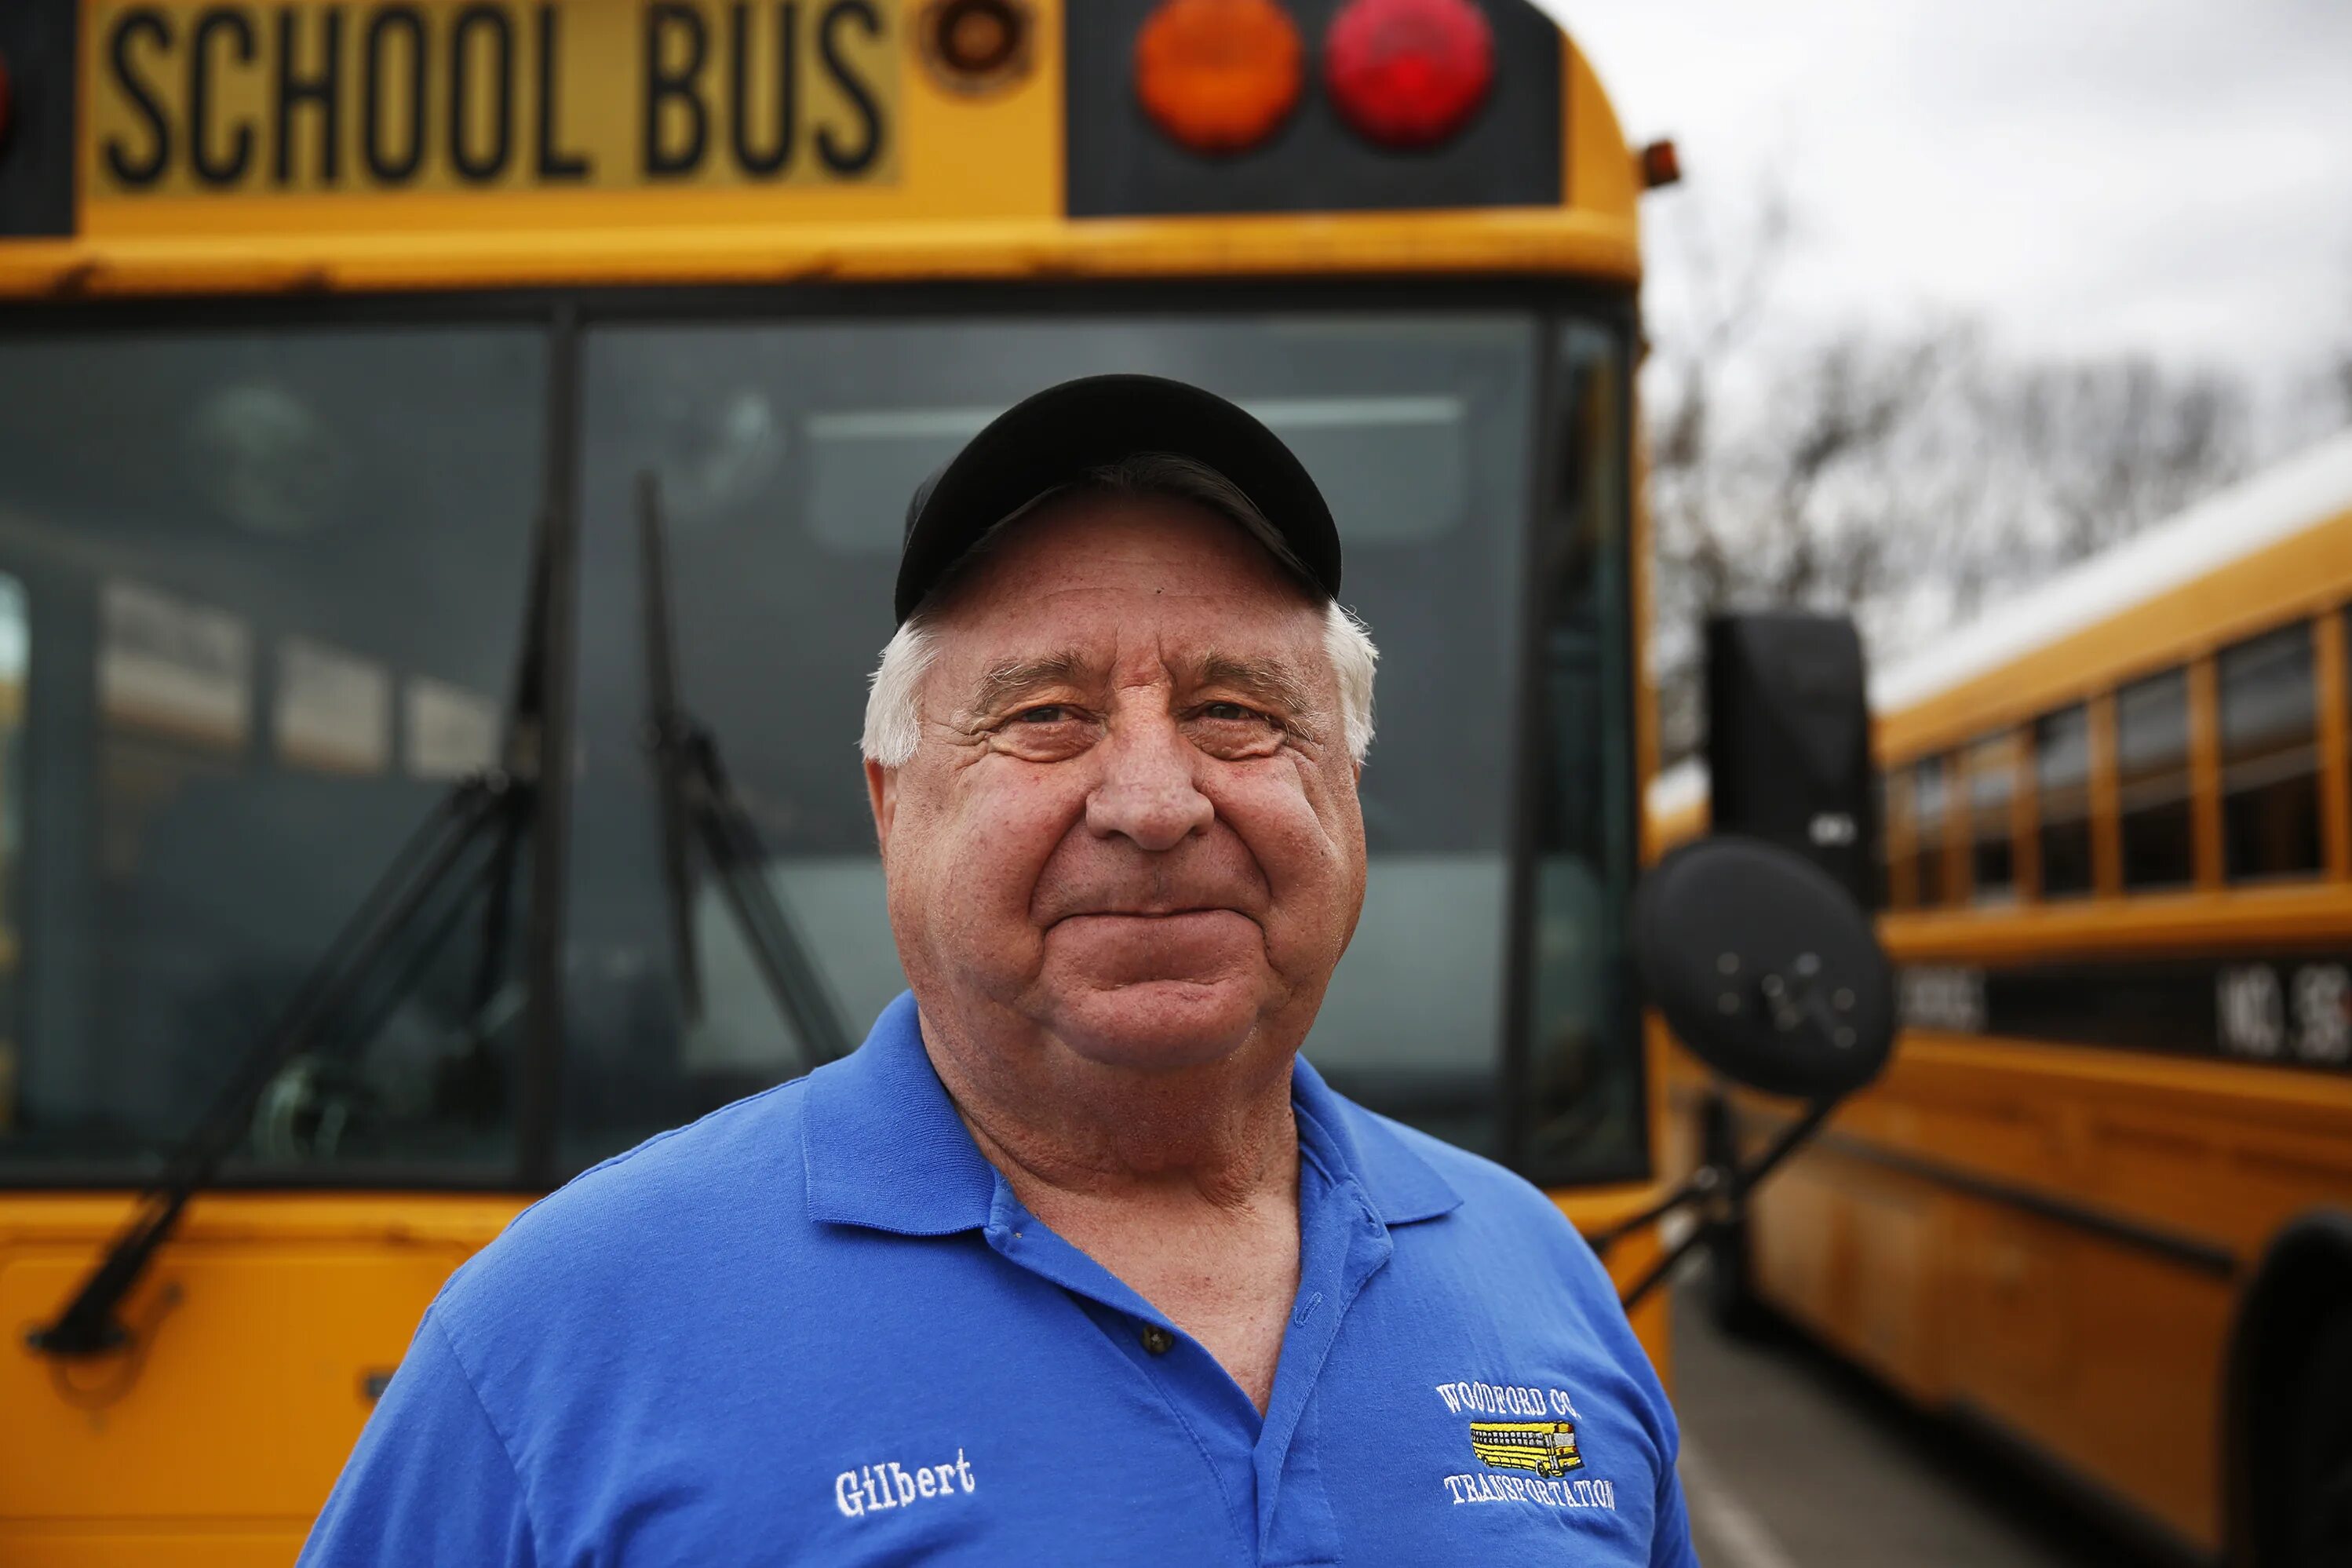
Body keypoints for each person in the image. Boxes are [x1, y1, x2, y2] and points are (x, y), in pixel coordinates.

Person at [300, 374, 1697, 1566]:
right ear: (894, 801)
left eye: (1235, 711)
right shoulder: (554, 1339)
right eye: (1044, 716)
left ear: (1344, 787)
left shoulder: (1537, 1275)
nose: (1154, 799)